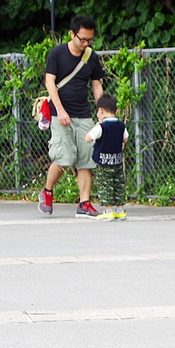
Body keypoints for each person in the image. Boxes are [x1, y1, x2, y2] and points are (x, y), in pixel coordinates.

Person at [37, 15, 105, 218]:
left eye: (90, 40)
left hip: (83, 114)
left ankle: (84, 203)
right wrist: (60, 110)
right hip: (59, 113)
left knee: (86, 158)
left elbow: (96, 84)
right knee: (63, 157)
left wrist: (101, 113)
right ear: (72, 34)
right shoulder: (57, 53)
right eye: (82, 39)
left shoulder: (91, 56)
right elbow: (50, 83)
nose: (85, 43)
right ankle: (47, 191)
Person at [84, 94, 129, 221]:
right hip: (117, 161)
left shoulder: (101, 127)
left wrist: (97, 125)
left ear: (101, 111)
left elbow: (88, 138)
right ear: (116, 111)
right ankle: (120, 210)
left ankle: (108, 210)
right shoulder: (121, 126)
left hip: (103, 163)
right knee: (118, 185)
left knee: (105, 186)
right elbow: (125, 139)